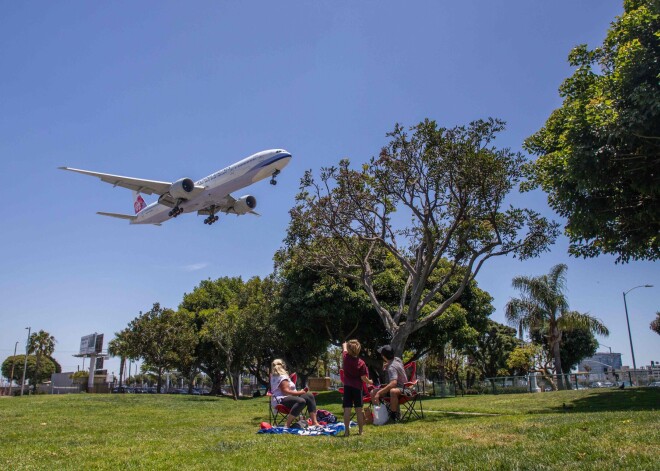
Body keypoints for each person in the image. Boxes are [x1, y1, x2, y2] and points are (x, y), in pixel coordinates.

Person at [270, 359, 319, 428]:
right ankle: (287, 424)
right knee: (301, 401)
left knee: (309, 396)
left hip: (284, 399)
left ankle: (315, 422)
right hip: (281, 400)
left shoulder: (274, 376)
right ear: (283, 366)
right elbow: (285, 391)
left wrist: (300, 392)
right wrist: (300, 392)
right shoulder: (282, 377)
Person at [342, 339, 373, 436]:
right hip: (357, 388)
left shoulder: (345, 357)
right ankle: (360, 431)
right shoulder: (361, 363)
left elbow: (344, 348)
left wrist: (345, 344)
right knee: (359, 410)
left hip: (347, 387)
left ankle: (347, 431)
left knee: (347, 409)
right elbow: (363, 378)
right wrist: (370, 381)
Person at [372, 345, 408, 422]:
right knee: (373, 392)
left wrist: (379, 392)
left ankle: (393, 416)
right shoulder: (397, 359)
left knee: (392, 391)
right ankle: (378, 416)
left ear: (383, 356)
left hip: (405, 389)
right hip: (400, 388)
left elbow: (393, 383)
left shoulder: (391, 368)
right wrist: (387, 364)